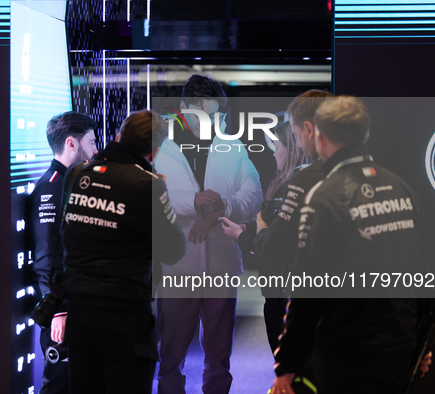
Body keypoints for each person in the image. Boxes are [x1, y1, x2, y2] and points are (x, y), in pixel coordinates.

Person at [271, 96, 426, 394]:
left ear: (319, 135)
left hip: (349, 354)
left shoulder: (324, 196)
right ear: (365, 134)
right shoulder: (402, 188)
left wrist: (287, 364)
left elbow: (307, 288)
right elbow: (419, 272)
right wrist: (419, 343)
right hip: (400, 349)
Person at [61, 110, 186, 393]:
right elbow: (173, 250)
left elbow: (66, 235)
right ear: (154, 152)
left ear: (118, 136)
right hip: (126, 317)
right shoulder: (148, 185)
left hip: (80, 313)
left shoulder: (76, 174)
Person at [154, 74, 264, 393]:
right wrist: (193, 201)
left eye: (216, 114)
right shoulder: (161, 147)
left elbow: (253, 194)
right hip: (177, 268)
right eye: (206, 114)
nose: (213, 121)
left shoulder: (233, 147)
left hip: (222, 266)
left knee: (219, 357)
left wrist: (222, 209)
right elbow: (148, 196)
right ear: (184, 108)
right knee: (171, 354)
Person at [221, 120, 308, 354]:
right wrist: (250, 226)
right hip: (276, 291)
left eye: (277, 146)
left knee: (288, 367)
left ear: (292, 149)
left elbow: (275, 244)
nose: (273, 153)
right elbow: (272, 224)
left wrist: (241, 236)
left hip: (284, 293)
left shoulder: (292, 189)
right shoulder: (286, 186)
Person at [28, 111, 98, 394]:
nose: (96, 150)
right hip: (63, 310)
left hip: (79, 305)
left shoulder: (73, 182)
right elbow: (46, 257)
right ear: (71, 143)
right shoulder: (51, 187)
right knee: (59, 386)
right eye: (92, 142)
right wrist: (58, 310)